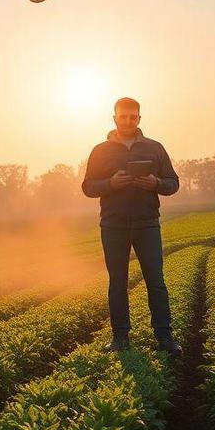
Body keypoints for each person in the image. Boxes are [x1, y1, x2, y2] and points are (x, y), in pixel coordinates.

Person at [81, 97, 182, 355]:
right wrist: (111, 184)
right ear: (114, 118)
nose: (128, 121)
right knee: (117, 282)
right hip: (113, 226)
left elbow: (173, 182)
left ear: (139, 118)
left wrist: (156, 183)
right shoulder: (100, 150)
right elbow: (88, 187)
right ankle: (120, 338)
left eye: (133, 117)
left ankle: (164, 336)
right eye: (123, 116)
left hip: (147, 224)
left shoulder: (155, 148)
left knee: (156, 281)